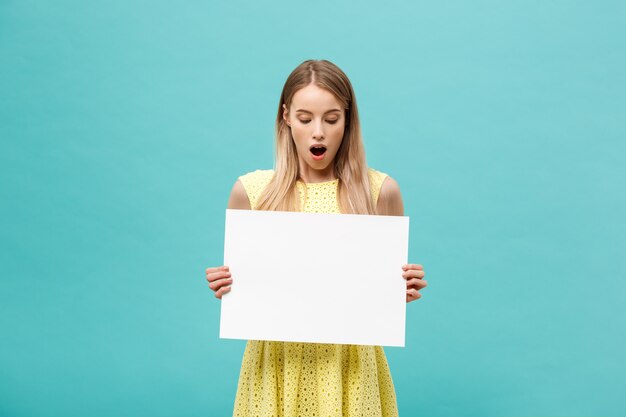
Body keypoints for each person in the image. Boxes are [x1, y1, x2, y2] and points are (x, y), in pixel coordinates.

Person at [205, 59, 428, 417]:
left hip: (350, 370)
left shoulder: (379, 192)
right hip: (275, 368)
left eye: (331, 118)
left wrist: (401, 290)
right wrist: (227, 285)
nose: (318, 132)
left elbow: (381, 296)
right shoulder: (252, 192)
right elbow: (248, 288)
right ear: (286, 117)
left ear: (348, 119)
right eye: (306, 118)